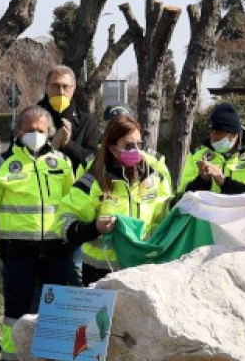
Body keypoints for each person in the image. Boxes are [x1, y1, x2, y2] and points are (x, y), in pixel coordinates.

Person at [0, 105, 79, 361]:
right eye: (30, 130)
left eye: (41, 130)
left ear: (49, 133)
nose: (35, 134)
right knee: (16, 308)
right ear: (18, 131)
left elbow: (72, 200)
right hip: (18, 249)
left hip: (56, 247)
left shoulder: (61, 162)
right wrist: (9, 227)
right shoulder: (0, 165)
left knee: (55, 305)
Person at [61, 116, 173, 286]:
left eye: (139, 144)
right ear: (113, 148)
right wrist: (94, 228)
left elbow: (163, 216)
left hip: (142, 269)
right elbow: (65, 222)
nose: (136, 150)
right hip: (101, 272)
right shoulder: (93, 180)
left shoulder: (153, 177)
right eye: (129, 145)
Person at [179, 103, 245, 193]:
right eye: (212, 131)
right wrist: (202, 181)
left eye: (219, 133)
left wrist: (225, 184)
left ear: (234, 135)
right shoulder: (196, 156)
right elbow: (183, 194)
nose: (213, 137)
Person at [39, 65, 90, 167]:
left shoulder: (86, 121)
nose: (61, 92)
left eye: (65, 87)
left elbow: (94, 159)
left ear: (73, 89)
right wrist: (51, 146)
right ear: (47, 88)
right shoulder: (31, 119)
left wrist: (68, 144)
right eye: (56, 86)